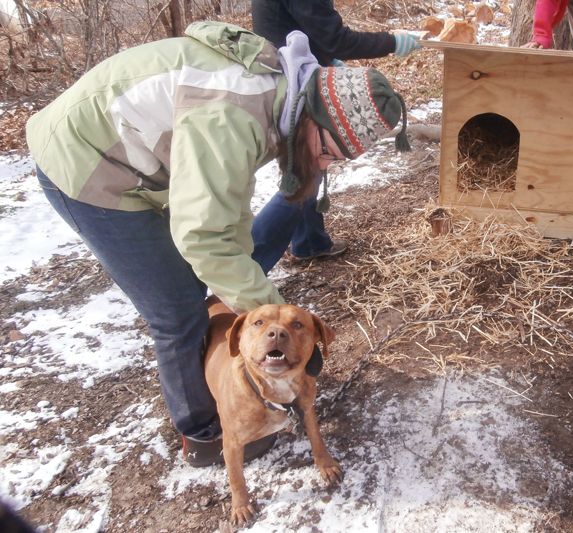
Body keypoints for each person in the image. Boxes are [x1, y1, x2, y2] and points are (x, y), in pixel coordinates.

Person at [25, 21, 410, 466]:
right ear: (316, 117)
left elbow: (227, 202)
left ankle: (211, 377)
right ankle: (203, 431)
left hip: (142, 161)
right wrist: (272, 318)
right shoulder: (235, 112)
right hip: (87, 163)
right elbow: (204, 235)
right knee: (176, 309)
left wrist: (241, 271)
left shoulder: (277, 98)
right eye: (328, 152)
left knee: (198, 281)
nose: (322, 164)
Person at [249, 0, 422, 272]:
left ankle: (310, 242)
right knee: (302, 176)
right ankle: (250, 265)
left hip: (287, 72)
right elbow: (336, 39)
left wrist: (326, 60)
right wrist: (392, 42)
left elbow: (309, 28)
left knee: (306, 170)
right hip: (288, 84)